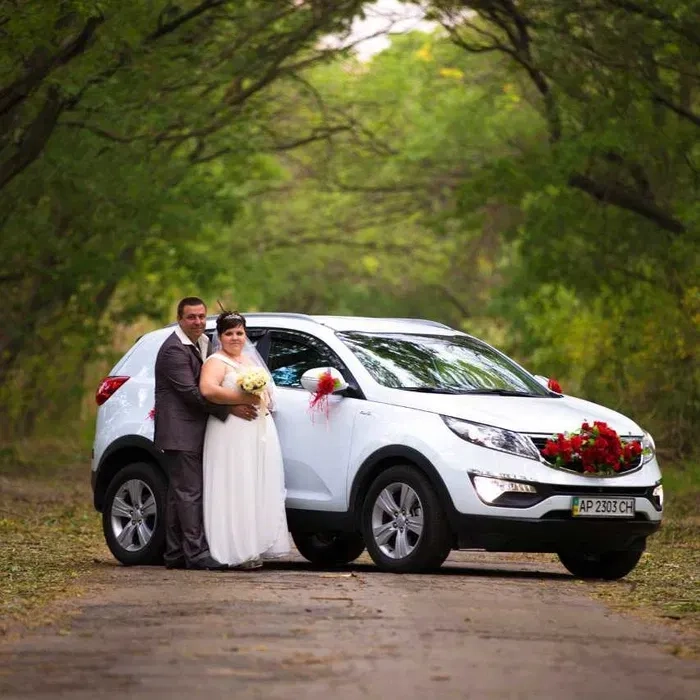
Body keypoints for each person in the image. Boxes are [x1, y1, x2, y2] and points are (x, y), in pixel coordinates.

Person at [154, 297, 260, 570]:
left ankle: (175, 553)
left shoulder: (203, 342)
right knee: (190, 493)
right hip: (180, 431)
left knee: (179, 495)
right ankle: (196, 554)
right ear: (179, 318)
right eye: (191, 317)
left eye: (201, 316)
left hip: (197, 429)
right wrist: (229, 408)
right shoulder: (173, 350)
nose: (198, 321)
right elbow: (191, 393)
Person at [199, 310, 290, 570]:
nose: (235, 338)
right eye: (229, 333)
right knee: (235, 482)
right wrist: (243, 398)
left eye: (239, 332)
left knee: (254, 483)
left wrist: (263, 398)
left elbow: (267, 393)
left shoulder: (250, 360)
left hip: (258, 430)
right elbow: (207, 390)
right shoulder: (215, 361)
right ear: (220, 336)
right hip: (230, 432)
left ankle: (253, 543)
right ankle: (233, 548)